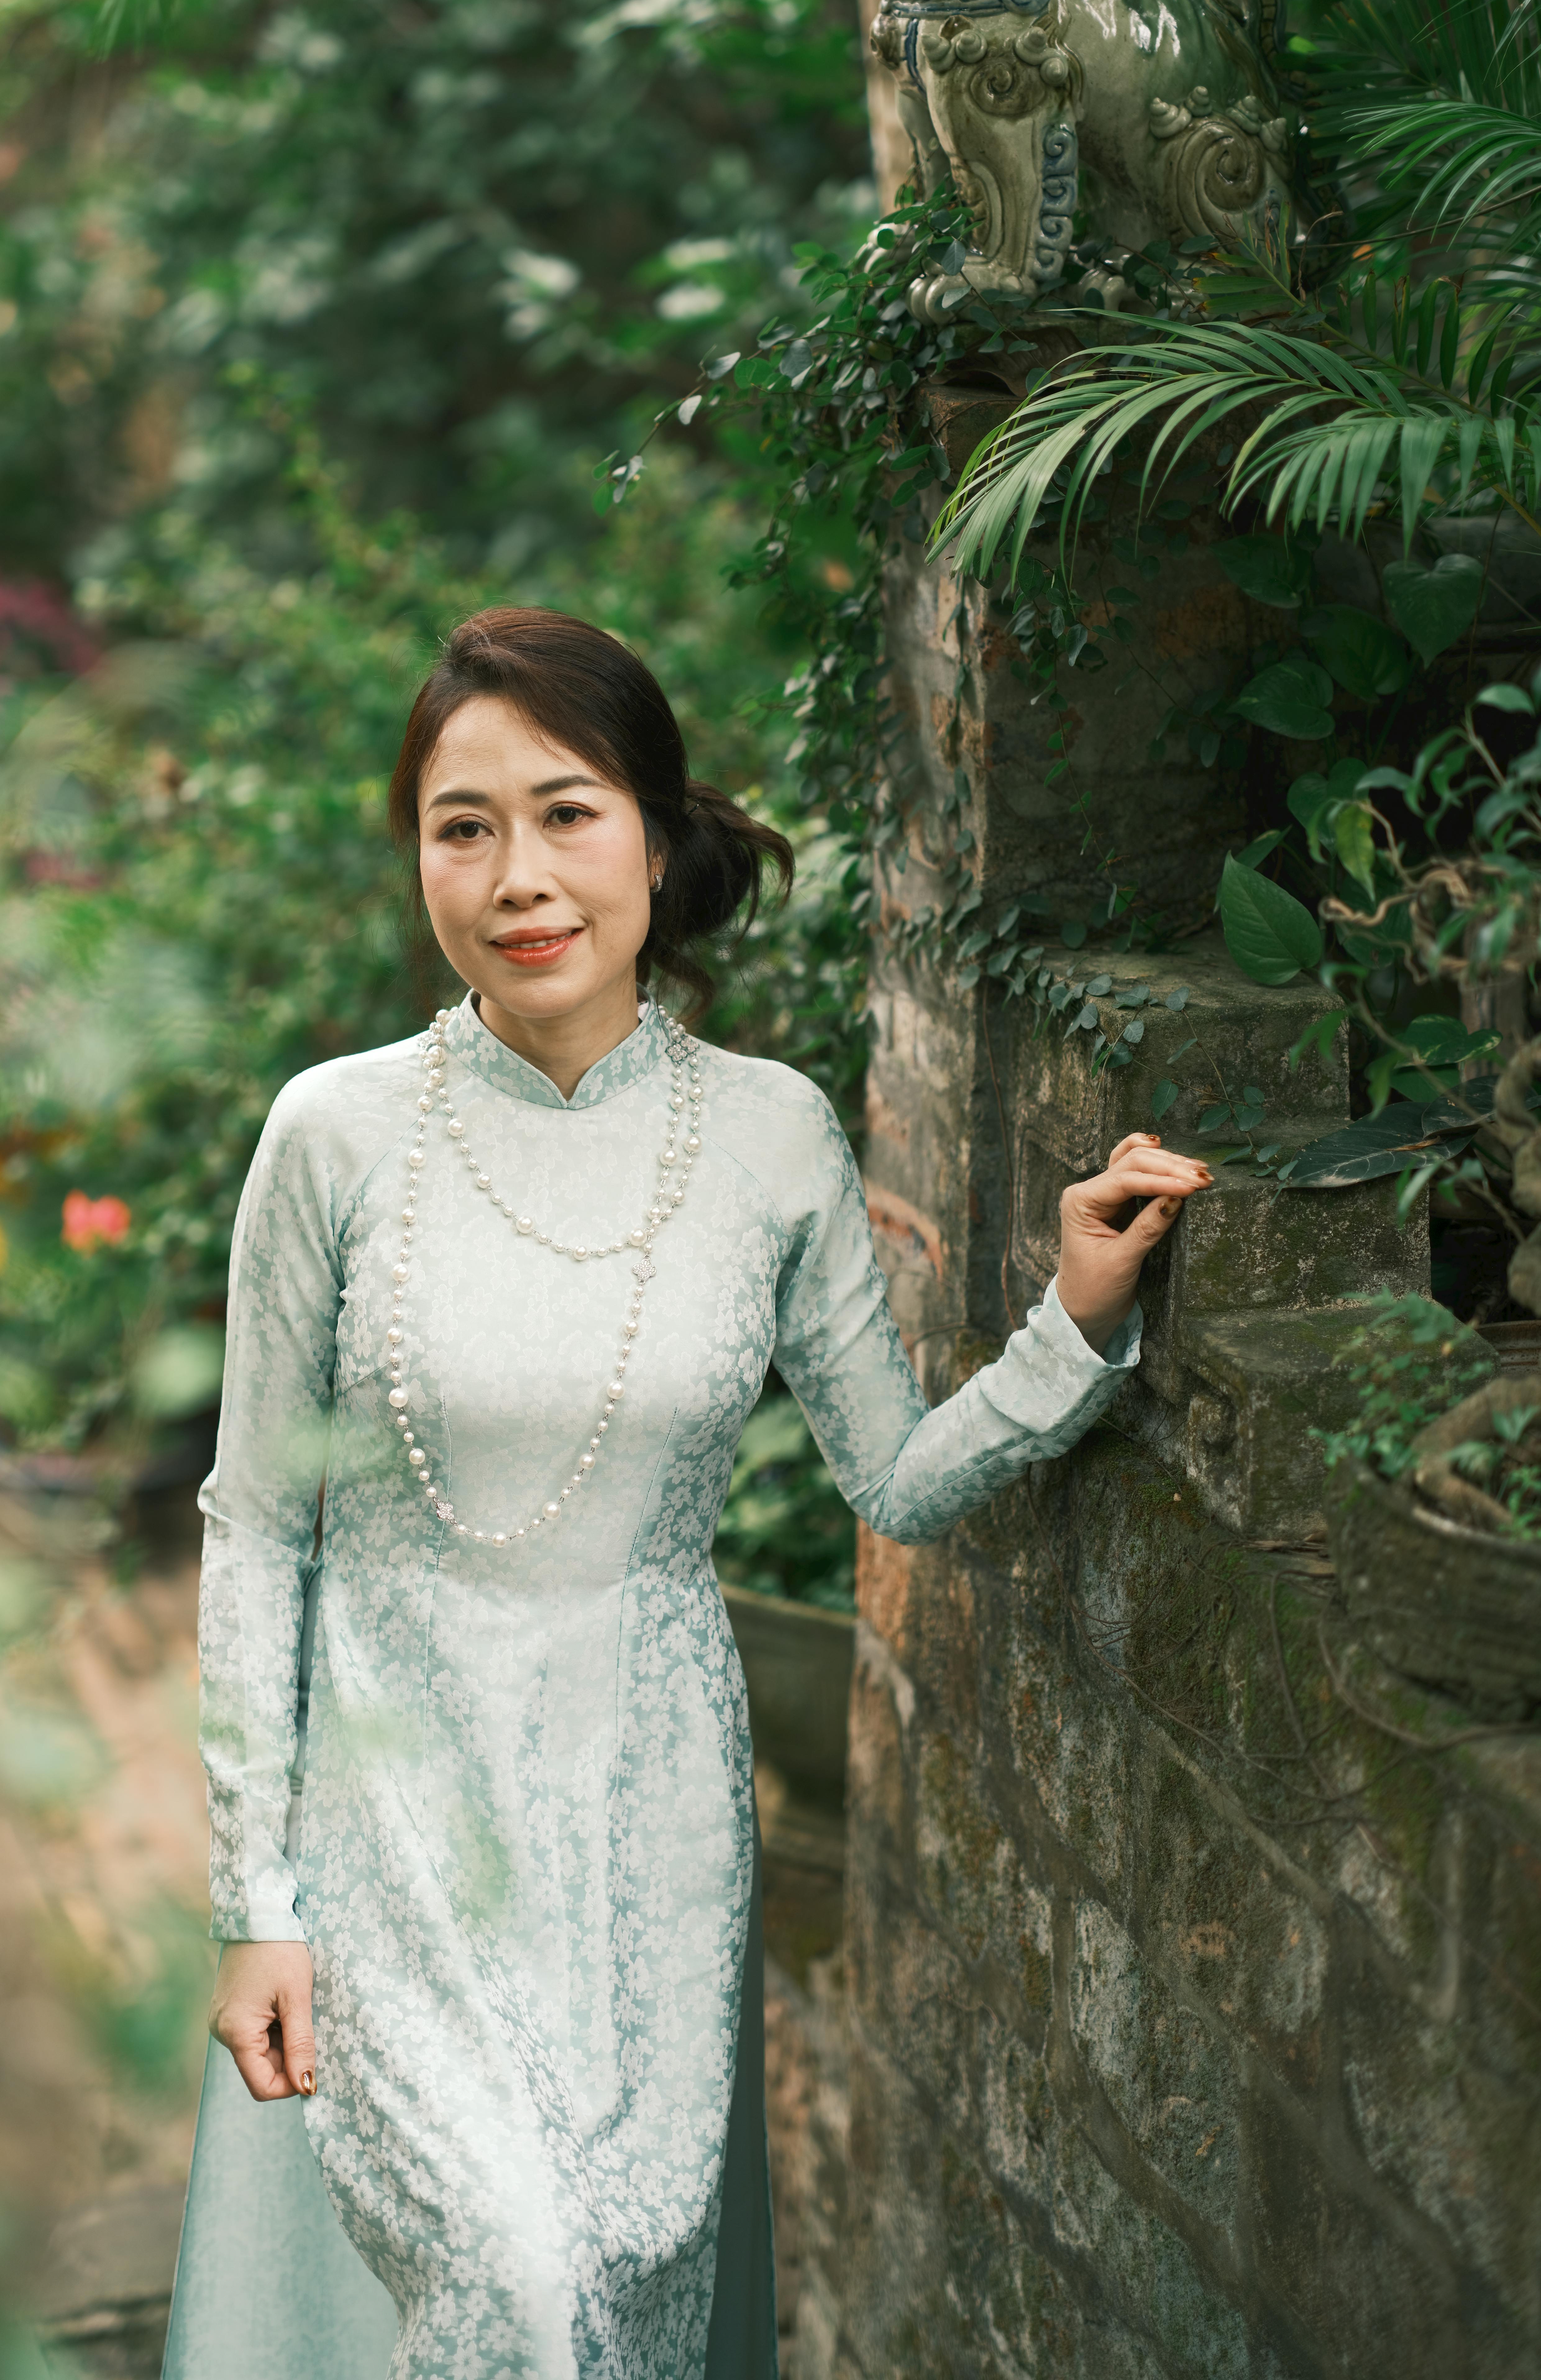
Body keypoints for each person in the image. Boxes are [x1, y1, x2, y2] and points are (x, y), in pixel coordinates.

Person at [160, 608, 1208, 2380]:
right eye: (463, 826)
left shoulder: (773, 1134)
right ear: (419, 857)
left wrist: (1074, 1324)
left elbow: (894, 1476)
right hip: (393, 1805)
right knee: (509, 2281)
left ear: (655, 836)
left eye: (567, 813)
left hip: (648, 1806)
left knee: (621, 2286)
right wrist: (255, 1895)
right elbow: (259, 1524)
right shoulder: (333, 1133)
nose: (518, 877)